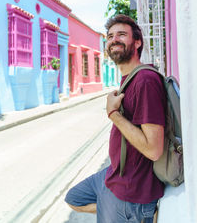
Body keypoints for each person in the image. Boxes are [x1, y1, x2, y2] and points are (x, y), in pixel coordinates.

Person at [65, 14, 166, 223]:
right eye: (110, 36)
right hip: (114, 176)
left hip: (131, 193)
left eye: (121, 34)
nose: (114, 40)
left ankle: (141, 214)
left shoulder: (144, 80)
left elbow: (154, 150)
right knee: (73, 198)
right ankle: (108, 203)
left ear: (137, 42)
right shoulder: (129, 79)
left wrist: (113, 115)